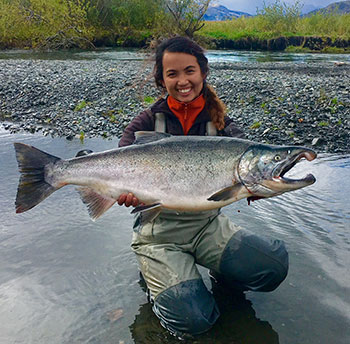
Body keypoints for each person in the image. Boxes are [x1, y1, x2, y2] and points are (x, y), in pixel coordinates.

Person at [117, 36, 288, 338]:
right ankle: (158, 290)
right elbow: (118, 168)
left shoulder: (222, 126)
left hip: (207, 228)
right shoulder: (144, 123)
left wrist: (259, 188)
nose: (183, 81)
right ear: (161, 79)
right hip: (158, 234)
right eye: (172, 74)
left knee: (273, 265)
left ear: (203, 73)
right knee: (195, 320)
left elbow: (251, 181)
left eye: (189, 71)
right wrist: (126, 194)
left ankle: (224, 276)